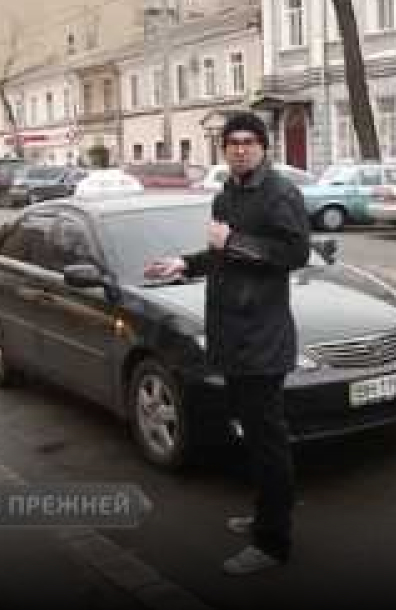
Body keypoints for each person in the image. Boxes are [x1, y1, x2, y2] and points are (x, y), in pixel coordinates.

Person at [144, 112, 311, 576]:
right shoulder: (227, 195)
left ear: (263, 147)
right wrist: (185, 263)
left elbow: (296, 253)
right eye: (232, 142)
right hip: (231, 335)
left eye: (248, 142)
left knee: (268, 440)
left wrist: (234, 240)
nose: (240, 149)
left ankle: (272, 543)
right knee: (253, 436)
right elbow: (222, 257)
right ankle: (265, 515)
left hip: (262, 339)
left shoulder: (280, 193)